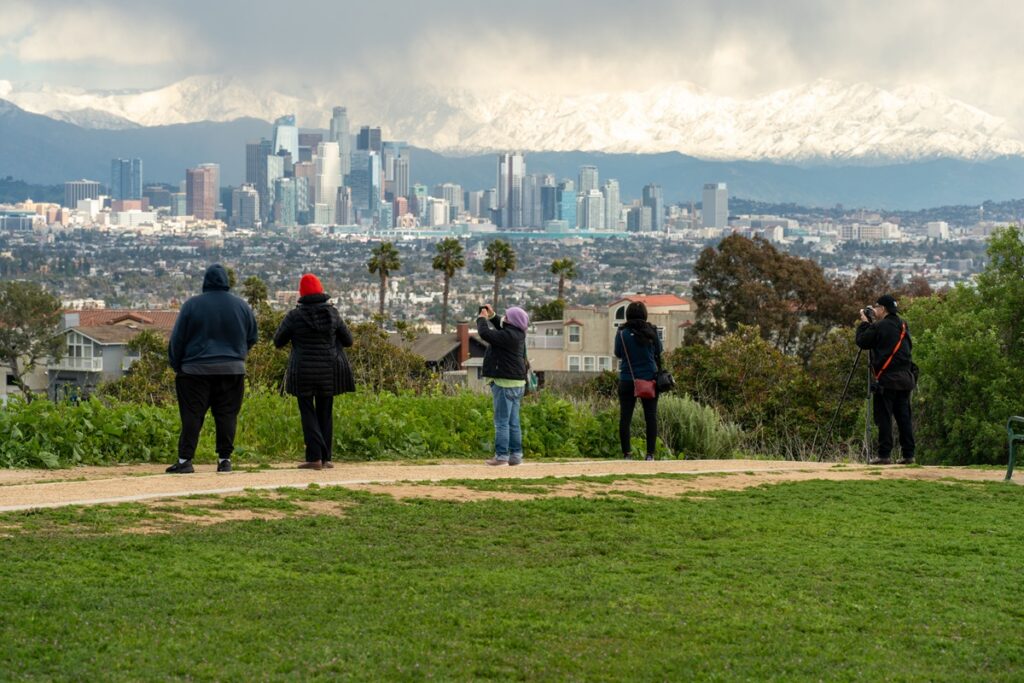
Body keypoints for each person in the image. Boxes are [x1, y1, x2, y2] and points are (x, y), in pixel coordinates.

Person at [166, 264, 258, 474]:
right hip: (232, 370)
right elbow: (252, 336)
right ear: (227, 281)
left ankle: (185, 460)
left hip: (194, 371)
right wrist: (237, 355)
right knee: (227, 415)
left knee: (192, 415)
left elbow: (177, 340)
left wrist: (177, 365)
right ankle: (225, 460)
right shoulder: (241, 306)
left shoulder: (192, 305)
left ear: (205, 281)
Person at [273, 273, 355, 470]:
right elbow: (348, 341)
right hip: (329, 371)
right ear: (320, 290)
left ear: (301, 293)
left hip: (303, 372)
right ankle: (326, 458)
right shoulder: (332, 314)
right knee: (325, 412)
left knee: (307, 412)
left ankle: (314, 457)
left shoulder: (294, 316)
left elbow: (278, 341)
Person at [855, 294, 916, 465]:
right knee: (904, 418)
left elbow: (862, 342)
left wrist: (865, 323)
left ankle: (884, 455)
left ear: (883, 309)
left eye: (876, 307)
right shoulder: (903, 325)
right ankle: (908, 455)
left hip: (887, 379)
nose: (875, 310)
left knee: (884, 418)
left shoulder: (880, 326)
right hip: (905, 379)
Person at [477, 304, 529, 466]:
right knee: (513, 422)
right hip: (518, 384)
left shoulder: (507, 336)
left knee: (501, 422)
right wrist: (493, 316)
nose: (504, 318)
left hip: (504, 384)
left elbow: (485, 333)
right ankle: (516, 456)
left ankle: (501, 456)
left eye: (507, 316)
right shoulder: (518, 333)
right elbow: (503, 325)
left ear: (512, 321)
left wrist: (482, 318)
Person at [614, 301, 663, 460]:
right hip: (649, 380)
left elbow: (618, 353)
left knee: (625, 418)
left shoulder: (622, 333)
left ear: (628, 315)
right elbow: (659, 351)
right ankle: (650, 455)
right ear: (645, 314)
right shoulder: (652, 331)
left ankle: (627, 454)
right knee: (650, 417)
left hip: (627, 379)